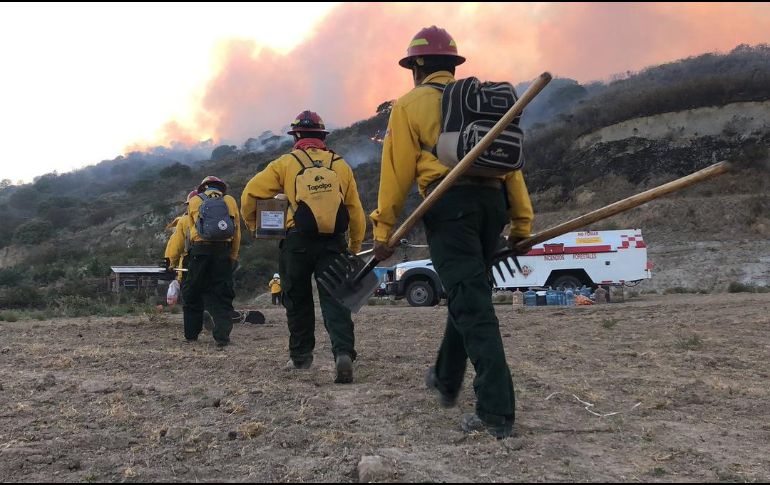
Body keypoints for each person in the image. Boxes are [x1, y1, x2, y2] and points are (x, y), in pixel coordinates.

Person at [369, 26, 534, 438]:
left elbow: (396, 172)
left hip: (450, 206)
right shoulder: (478, 104)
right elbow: (507, 165)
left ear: (416, 67)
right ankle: (445, 378)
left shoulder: (410, 105)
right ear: (453, 64)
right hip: (492, 205)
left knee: (472, 303)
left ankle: (496, 412)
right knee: (466, 291)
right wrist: (521, 223)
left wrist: (383, 229)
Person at [241, 110, 366, 383]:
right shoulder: (340, 165)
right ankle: (343, 353)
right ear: (323, 137)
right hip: (333, 242)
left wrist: (253, 225)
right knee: (335, 300)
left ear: (296, 136)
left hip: (296, 241)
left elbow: (250, 192)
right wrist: (353, 246)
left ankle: (301, 358)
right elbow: (355, 211)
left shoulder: (286, 163)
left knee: (297, 300)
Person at [166, 176, 241, 348]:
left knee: (192, 293)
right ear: (221, 188)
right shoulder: (229, 200)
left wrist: (172, 262)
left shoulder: (194, 201)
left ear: (203, 188)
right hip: (223, 251)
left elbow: (190, 233)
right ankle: (222, 338)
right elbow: (236, 232)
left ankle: (191, 335)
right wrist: (233, 256)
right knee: (222, 294)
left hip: (199, 252)